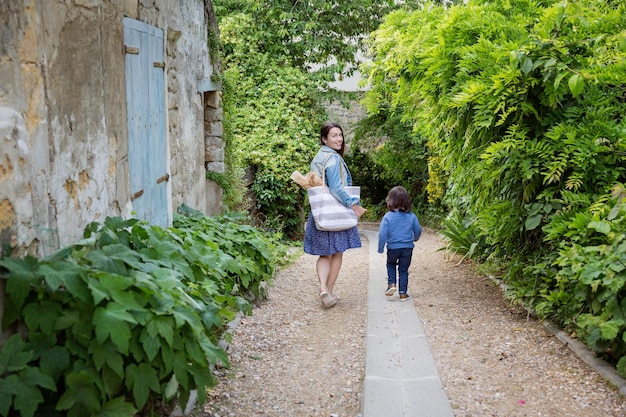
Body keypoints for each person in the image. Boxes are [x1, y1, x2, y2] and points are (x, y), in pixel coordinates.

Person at [304, 122, 366, 308]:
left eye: (340, 135)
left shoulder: (318, 157)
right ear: (324, 139)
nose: (339, 139)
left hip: (320, 213)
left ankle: (323, 288)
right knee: (337, 253)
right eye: (334, 136)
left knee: (325, 255)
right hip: (336, 213)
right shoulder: (334, 159)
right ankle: (328, 292)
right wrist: (354, 205)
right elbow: (337, 188)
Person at [377, 186, 422, 301]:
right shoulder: (411, 216)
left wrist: (381, 248)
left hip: (393, 247)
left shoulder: (388, 217)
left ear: (390, 200)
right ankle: (403, 293)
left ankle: (392, 284)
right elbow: (418, 229)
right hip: (407, 247)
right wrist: (415, 238)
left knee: (391, 264)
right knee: (403, 269)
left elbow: (382, 234)